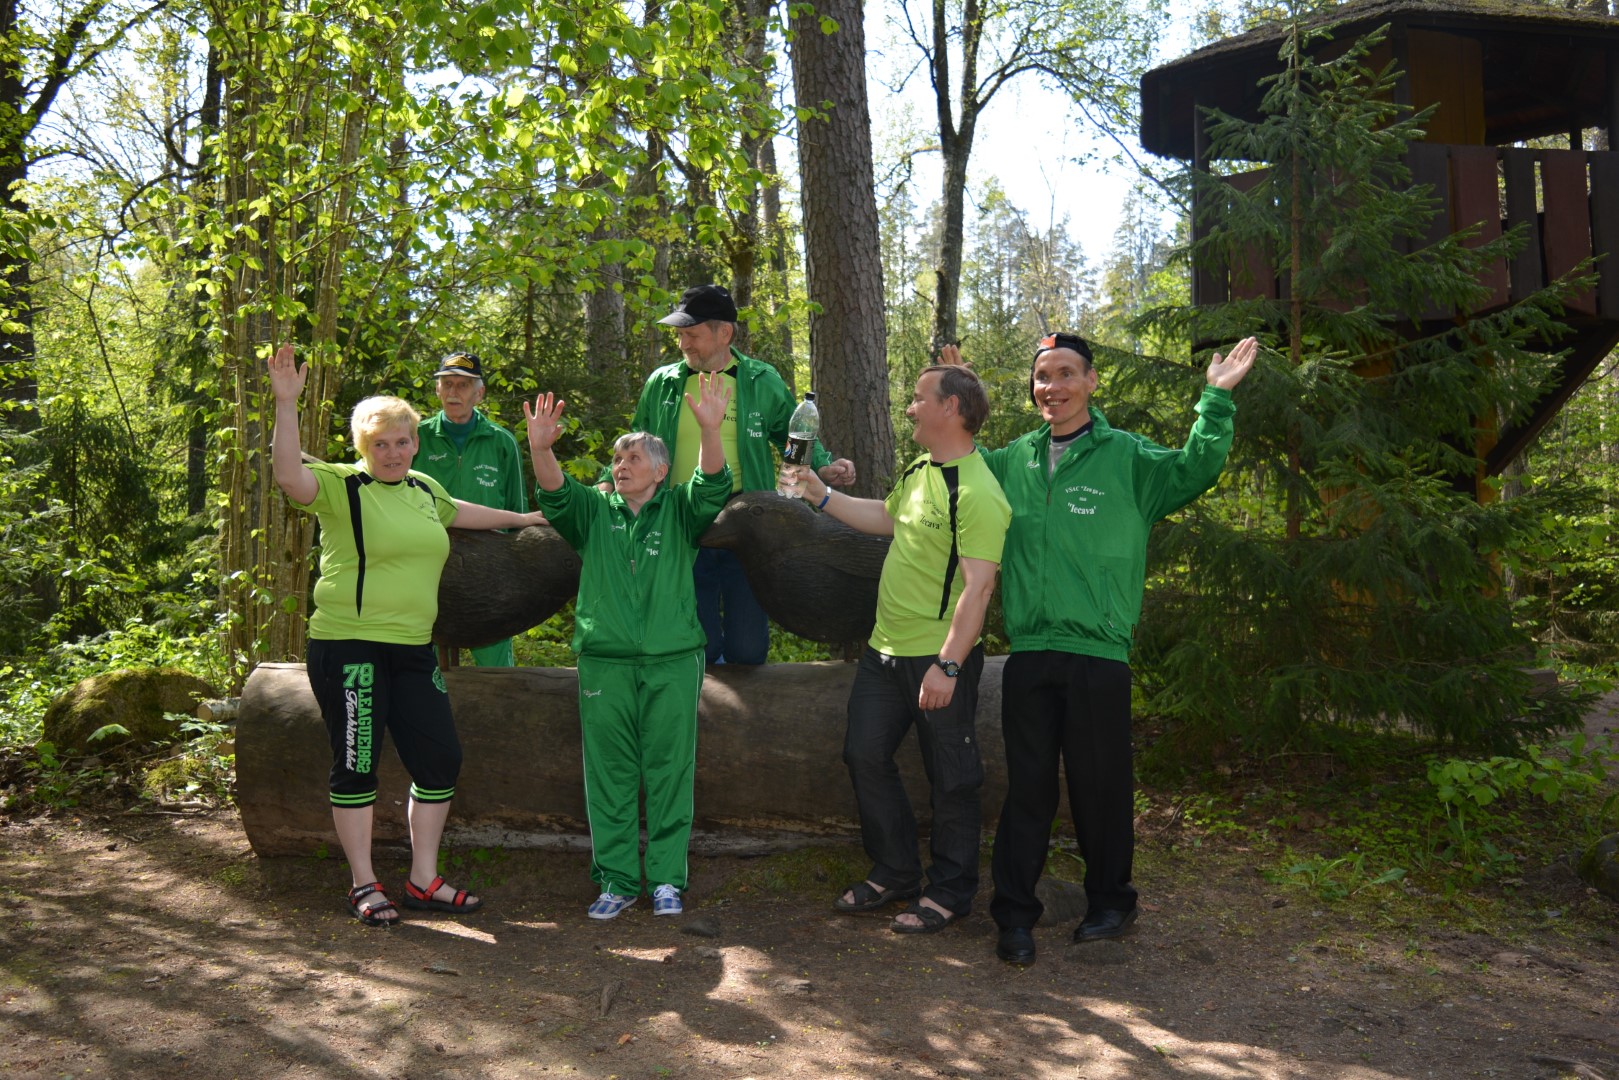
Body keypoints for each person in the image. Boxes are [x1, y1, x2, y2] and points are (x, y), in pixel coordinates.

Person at [949, 332, 1256, 965]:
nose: (1052, 387)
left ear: (1091, 382)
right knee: (1028, 789)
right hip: (1030, 651)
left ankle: (1111, 902)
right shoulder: (1012, 461)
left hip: (1099, 653)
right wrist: (964, 393)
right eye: (1043, 376)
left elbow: (1196, 467)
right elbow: (958, 466)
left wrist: (1216, 399)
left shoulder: (1128, 458)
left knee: (1100, 786)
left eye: (1066, 373)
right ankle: (1015, 915)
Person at [268, 343, 550, 927]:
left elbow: (461, 511)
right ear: (362, 447)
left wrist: (523, 519)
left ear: (415, 444)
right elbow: (289, 475)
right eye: (380, 444)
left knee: (440, 759)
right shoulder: (341, 486)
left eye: (402, 442)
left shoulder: (423, 489)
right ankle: (363, 883)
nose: (393, 453)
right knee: (357, 762)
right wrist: (286, 403)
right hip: (350, 646)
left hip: (413, 648)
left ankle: (424, 880)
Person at [787, 365, 1010, 934]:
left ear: (951, 408)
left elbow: (980, 588)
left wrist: (948, 665)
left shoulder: (978, 491)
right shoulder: (919, 469)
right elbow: (887, 518)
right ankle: (895, 871)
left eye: (918, 399)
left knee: (953, 776)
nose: (909, 407)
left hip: (937, 656)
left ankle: (951, 891)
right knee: (863, 756)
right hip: (882, 652)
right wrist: (821, 495)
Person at [526, 374, 734, 920]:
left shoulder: (681, 509)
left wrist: (711, 430)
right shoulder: (594, 512)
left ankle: (666, 880)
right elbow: (555, 492)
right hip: (605, 662)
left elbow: (713, 483)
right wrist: (541, 448)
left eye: (633, 459)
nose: (620, 466)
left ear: (661, 471)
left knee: (669, 771)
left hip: (674, 660)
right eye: (617, 460)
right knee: (610, 774)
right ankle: (616, 881)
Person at [622, 283, 856, 665]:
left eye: (692, 334)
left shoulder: (760, 380)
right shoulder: (663, 383)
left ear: (725, 333)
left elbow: (791, 435)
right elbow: (636, 441)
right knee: (698, 643)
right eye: (680, 335)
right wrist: (609, 480)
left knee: (748, 648)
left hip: (747, 520)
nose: (683, 344)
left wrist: (822, 465)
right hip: (680, 518)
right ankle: (701, 693)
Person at [414, 351, 530, 667]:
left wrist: (515, 577)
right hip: (426, 568)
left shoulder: (501, 442)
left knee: (496, 666)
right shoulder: (416, 438)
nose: (453, 392)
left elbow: (517, 513)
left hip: (489, 572)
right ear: (437, 389)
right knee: (421, 663)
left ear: (479, 393)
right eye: (447, 384)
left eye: (463, 385)